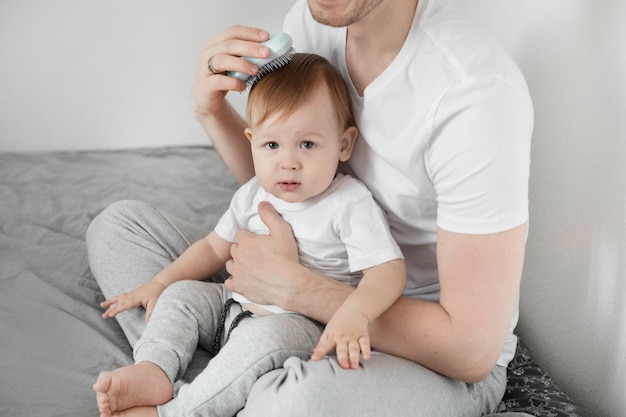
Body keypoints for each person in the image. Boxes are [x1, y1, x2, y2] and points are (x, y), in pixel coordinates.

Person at [88, 0, 533, 416]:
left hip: (421, 347)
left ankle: (211, 386)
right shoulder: (315, 18)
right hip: (286, 284)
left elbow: (470, 352)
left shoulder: (474, 94)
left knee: (297, 401)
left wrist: (297, 290)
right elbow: (286, 183)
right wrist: (210, 110)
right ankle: (182, 373)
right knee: (119, 229)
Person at [91, 53, 406, 417]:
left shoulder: (348, 202)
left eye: (307, 144)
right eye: (272, 145)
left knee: (261, 341)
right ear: (253, 141)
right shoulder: (255, 191)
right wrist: (159, 283)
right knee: (180, 297)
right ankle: (155, 368)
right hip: (230, 305)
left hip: (297, 326)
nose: (288, 162)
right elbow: (213, 246)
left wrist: (356, 312)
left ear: (344, 144)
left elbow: (388, 270)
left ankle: (177, 412)